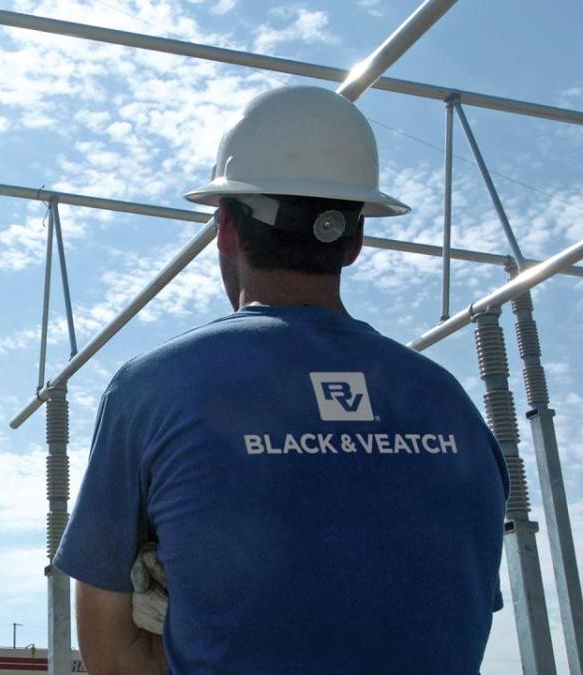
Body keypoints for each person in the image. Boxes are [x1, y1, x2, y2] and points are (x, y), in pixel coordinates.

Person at [52, 85, 508, 674]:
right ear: (355, 242)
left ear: (226, 230)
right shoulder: (451, 404)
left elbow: (113, 656)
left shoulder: (155, 390)